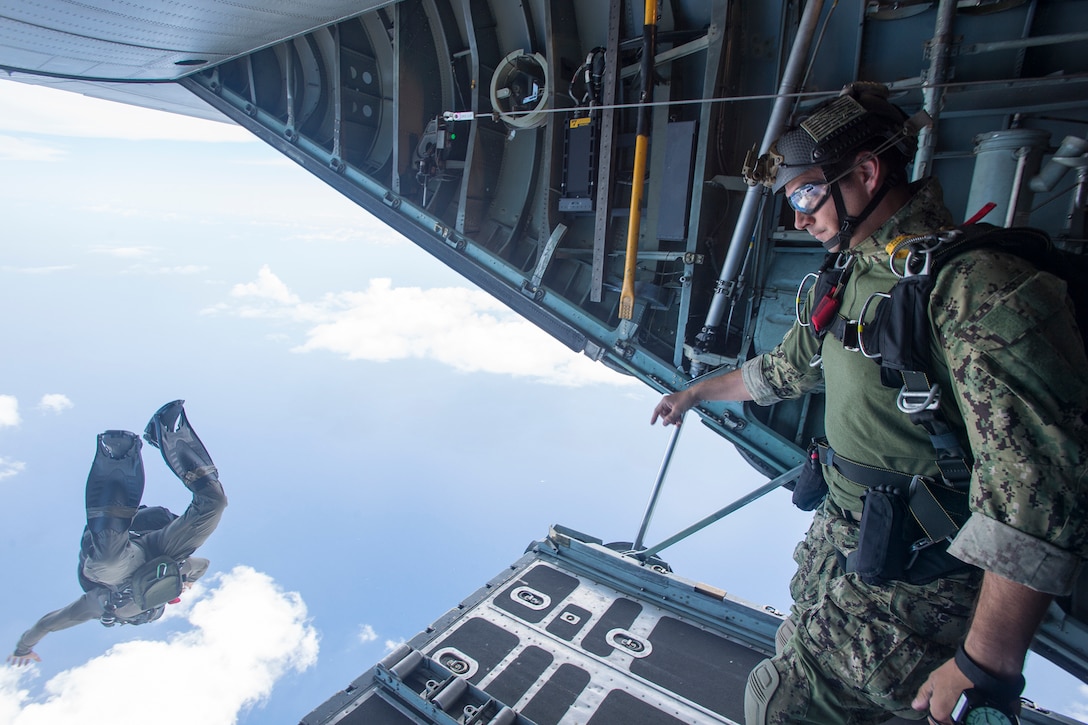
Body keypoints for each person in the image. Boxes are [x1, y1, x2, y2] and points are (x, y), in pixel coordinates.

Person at [651, 82, 1088, 724]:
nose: (798, 218)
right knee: (790, 654)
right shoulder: (851, 273)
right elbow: (788, 369)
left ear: (866, 171)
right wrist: (693, 394)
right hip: (850, 532)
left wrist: (984, 665)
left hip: (919, 564)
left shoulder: (972, 284)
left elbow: (1039, 486)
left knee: (781, 707)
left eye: (804, 195)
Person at [7, 400, 227, 666]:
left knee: (108, 560)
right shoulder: (177, 574)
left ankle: (117, 459)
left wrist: (23, 648)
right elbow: (201, 565)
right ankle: (166, 434)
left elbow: (49, 623)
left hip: (116, 569)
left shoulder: (102, 605)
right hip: (159, 550)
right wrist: (190, 579)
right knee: (214, 504)